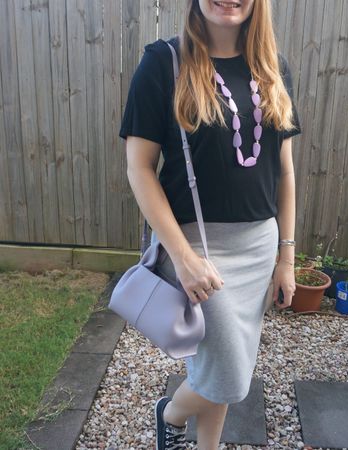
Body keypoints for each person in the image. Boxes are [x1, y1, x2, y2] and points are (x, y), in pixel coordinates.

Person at [118, 0, 302, 448]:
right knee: (231, 376)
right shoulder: (164, 63)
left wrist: (287, 257)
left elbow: (285, 170)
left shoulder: (273, 67)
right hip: (199, 247)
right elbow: (139, 168)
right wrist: (182, 258)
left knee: (222, 364)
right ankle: (174, 414)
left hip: (259, 247)